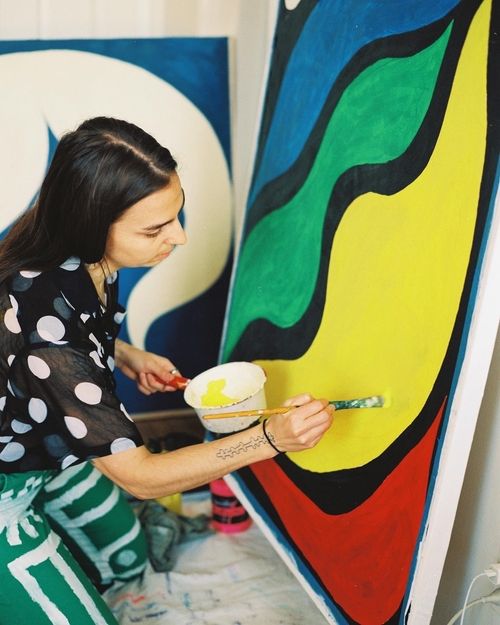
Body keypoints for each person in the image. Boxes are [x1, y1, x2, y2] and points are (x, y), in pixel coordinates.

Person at [0, 116, 333, 625]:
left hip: (41, 457)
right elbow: (142, 478)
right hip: (8, 489)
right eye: (155, 229)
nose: (179, 237)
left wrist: (124, 354)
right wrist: (270, 440)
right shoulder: (49, 336)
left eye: (177, 215)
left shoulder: (78, 253)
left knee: (128, 558)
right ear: (90, 223)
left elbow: (51, 341)